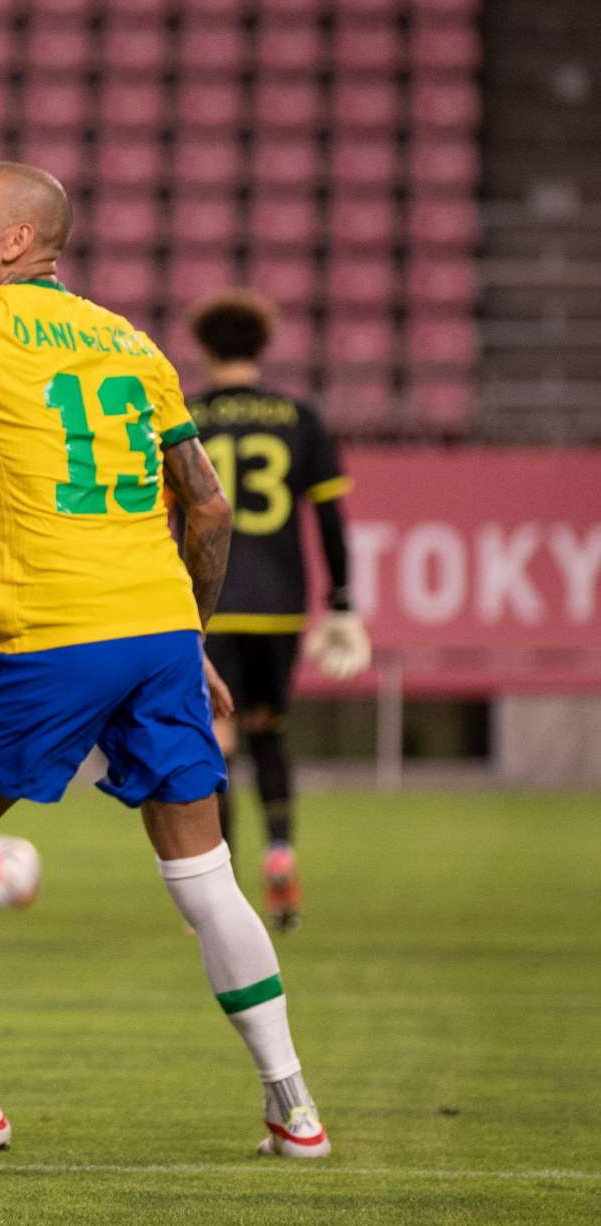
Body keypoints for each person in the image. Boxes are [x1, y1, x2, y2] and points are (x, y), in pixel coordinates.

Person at [0, 162, 330, 1160]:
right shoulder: (136, 343)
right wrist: (188, 633)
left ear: (12, 242)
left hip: (51, 629)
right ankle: (293, 1106)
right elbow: (205, 503)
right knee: (205, 870)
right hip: (158, 630)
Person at [185, 290, 365, 932]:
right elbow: (331, 516)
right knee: (269, 729)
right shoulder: (299, 416)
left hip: (209, 601)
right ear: (262, 348)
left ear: (205, 349)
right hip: (281, 606)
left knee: (216, 738)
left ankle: (222, 886)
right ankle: (281, 850)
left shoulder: (188, 415)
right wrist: (341, 601)